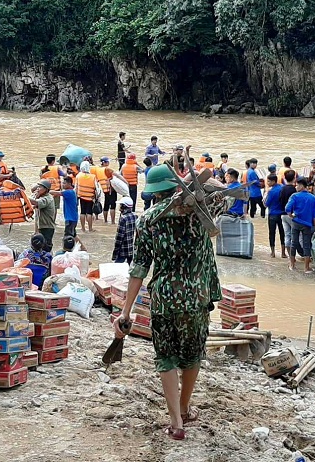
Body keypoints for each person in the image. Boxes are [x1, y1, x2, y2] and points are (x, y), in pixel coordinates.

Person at [114, 163, 228, 441]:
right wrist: (192, 184)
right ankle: (185, 406)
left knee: (166, 357)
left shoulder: (148, 220)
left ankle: (176, 422)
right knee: (192, 354)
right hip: (196, 297)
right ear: (176, 187)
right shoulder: (203, 214)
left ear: (152, 193)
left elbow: (139, 268)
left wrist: (125, 311)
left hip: (164, 299)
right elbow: (223, 190)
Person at [285, 177, 315, 273]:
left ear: (302, 186)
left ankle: (292, 265)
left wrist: (291, 216)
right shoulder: (312, 197)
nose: (296, 186)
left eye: (297, 185)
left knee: (294, 242)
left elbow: (287, 208)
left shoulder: (294, 196)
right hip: (307, 224)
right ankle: (306, 268)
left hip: (296, 222)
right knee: (307, 245)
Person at [28, 179, 57, 249]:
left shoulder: (48, 198)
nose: (38, 189)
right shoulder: (42, 196)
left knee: (46, 247)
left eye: (40, 187)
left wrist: (23, 196)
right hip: (41, 226)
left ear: (46, 189)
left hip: (47, 227)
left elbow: (35, 202)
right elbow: (33, 205)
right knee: (39, 247)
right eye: (38, 187)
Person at [263, 174, 284, 258]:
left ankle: (273, 252)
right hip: (282, 213)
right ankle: (283, 253)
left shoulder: (271, 191)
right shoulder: (282, 188)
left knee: (272, 233)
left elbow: (266, 204)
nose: (267, 183)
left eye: (268, 181)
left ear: (273, 181)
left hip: (273, 214)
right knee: (282, 233)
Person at [75, 164, 100, 233]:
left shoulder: (78, 176)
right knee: (89, 213)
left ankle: (83, 228)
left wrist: (76, 197)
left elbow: (76, 187)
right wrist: (97, 198)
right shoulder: (93, 177)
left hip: (81, 197)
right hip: (90, 197)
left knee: (82, 212)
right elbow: (97, 189)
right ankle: (90, 228)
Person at [112, 197, 137, 264]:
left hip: (123, 248)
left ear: (123, 206)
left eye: (120, 205)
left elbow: (119, 237)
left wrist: (115, 251)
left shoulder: (123, 218)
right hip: (132, 247)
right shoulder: (135, 215)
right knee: (130, 267)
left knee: (116, 267)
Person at [96, 156, 118, 224]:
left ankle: (105, 220)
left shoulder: (98, 170)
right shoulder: (107, 169)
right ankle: (113, 222)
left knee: (106, 204)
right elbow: (116, 175)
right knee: (112, 205)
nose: (108, 163)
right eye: (107, 161)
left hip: (105, 190)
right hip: (111, 190)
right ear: (104, 163)